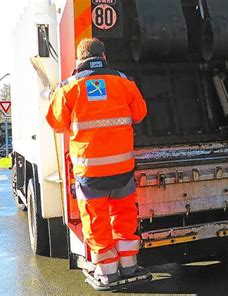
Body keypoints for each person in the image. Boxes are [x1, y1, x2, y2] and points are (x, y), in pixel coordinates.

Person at [46, 38, 148, 287]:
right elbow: (140, 114)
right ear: (104, 57)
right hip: (123, 169)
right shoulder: (125, 82)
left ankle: (108, 273)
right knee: (124, 218)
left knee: (96, 222)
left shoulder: (69, 88)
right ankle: (129, 267)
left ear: (79, 60)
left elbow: (56, 124)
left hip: (90, 172)